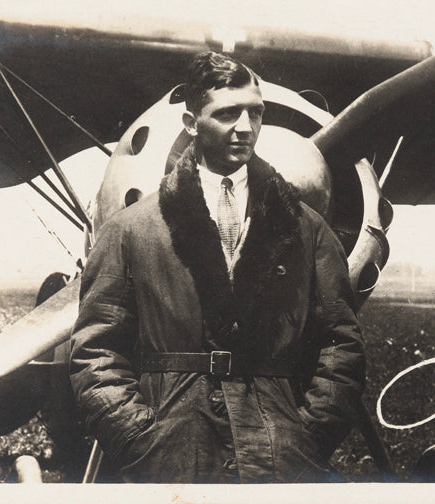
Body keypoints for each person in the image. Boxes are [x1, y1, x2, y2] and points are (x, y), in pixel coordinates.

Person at [69, 51, 365, 483]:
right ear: (191, 124)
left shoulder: (308, 228)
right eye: (227, 113)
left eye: (256, 113)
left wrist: (307, 437)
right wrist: (138, 439)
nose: (245, 128)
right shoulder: (130, 231)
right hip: (170, 456)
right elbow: (95, 350)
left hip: (280, 456)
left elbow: (341, 344)